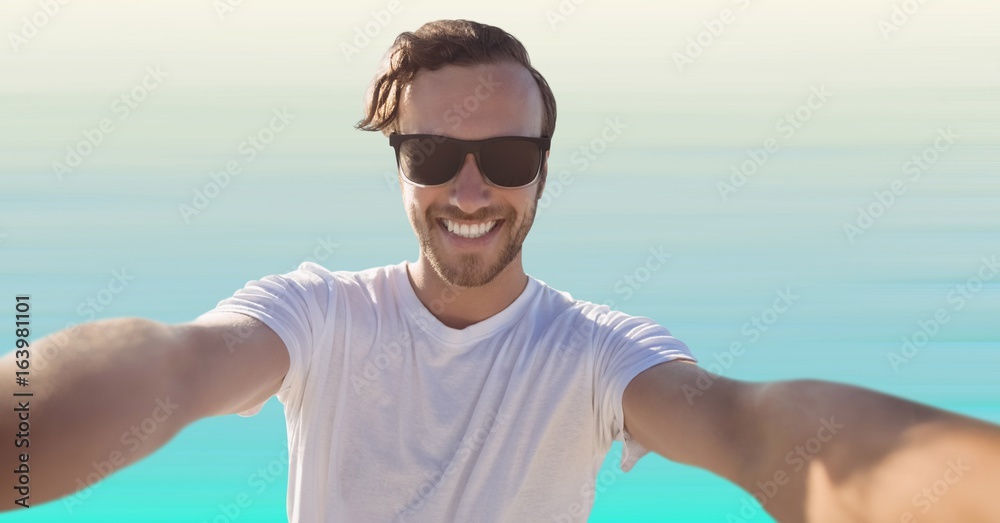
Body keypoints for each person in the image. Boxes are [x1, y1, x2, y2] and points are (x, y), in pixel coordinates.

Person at [3, 19, 999, 522]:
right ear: (399, 168)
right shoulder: (318, 313)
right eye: (434, 155)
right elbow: (172, 370)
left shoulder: (600, 352)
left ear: (543, 170)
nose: (471, 188)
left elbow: (750, 426)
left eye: (507, 159)